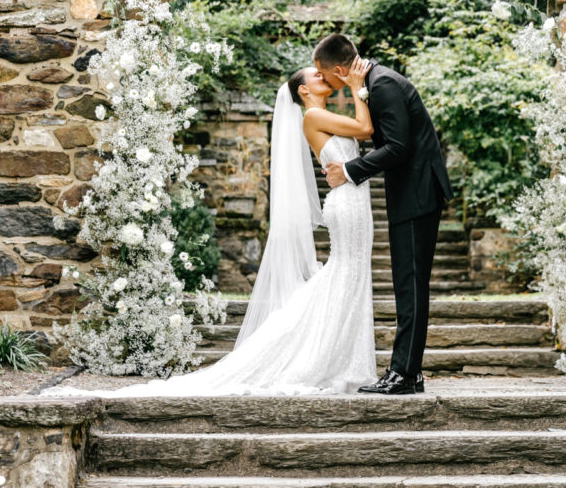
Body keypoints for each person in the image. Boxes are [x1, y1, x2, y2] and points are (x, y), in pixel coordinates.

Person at [41, 57, 378, 397]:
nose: (323, 76)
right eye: (315, 75)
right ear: (304, 90)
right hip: (346, 205)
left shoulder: (323, 116)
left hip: (353, 201)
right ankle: (325, 357)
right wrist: (355, 88)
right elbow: (365, 130)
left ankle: (339, 357)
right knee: (345, 273)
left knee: (348, 276)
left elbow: (356, 137)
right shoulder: (314, 115)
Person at [315, 34, 453, 396]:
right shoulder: (374, 83)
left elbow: (398, 147)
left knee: (410, 284)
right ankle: (410, 371)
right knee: (408, 282)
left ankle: (404, 374)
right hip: (411, 193)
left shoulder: (383, 84)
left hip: (418, 193)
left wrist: (348, 170)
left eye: (324, 74)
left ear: (341, 70)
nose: (323, 81)